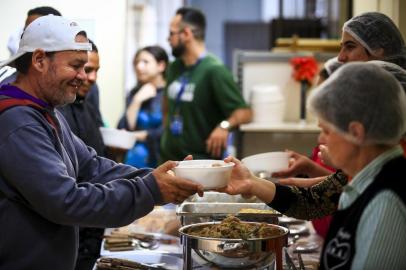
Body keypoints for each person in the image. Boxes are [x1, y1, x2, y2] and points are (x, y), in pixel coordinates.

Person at [0, 15, 203, 270]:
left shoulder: (46, 112)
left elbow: (93, 167)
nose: (83, 77)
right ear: (39, 60)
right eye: (75, 66)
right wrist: (151, 190)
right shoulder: (19, 122)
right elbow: (66, 201)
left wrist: (162, 178)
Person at [221, 62, 406, 270]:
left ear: (356, 132)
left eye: (326, 130)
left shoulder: (385, 201)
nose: (321, 139)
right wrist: (251, 182)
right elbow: (312, 200)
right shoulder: (363, 181)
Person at [160, 7, 252, 162]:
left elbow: (244, 112)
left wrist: (224, 126)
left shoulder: (214, 70)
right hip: (168, 160)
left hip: (199, 164)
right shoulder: (175, 67)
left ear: (187, 34)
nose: (168, 39)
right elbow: (166, 107)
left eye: (171, 33)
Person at [56, 39, 105, 270]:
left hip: (91, 229)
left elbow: (92, 162)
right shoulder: (54, 114)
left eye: (94, 70)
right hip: (75, 229)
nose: (90, 78)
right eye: (85, 69)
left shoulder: (87, 104)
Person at [118, 46, 169, 168]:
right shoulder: (134, 93)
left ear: (161, 66)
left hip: (160, 159)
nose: (139, 67)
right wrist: (137, 101)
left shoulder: (169, 93)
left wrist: (137, 136)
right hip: (133, 161)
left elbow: (168, 130)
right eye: (136, 62)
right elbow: (125, 127)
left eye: (145, 62)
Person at [0, 6, 62, 87]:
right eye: (26, 30)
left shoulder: (69, 74)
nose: (25, 35)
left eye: (35, 30)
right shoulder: (7, 74)